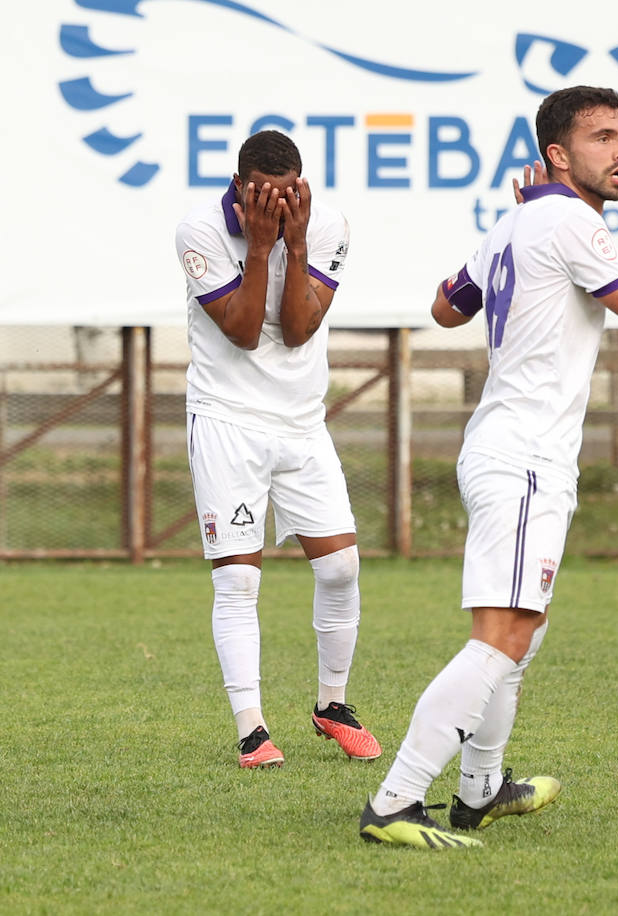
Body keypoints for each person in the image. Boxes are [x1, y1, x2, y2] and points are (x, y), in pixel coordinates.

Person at [358, 86, 618, 847]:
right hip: (523, 456)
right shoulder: (565, 219)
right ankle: (394, 802)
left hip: (509, 448)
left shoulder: (520, 218)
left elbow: (445, 307)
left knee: (525, 629)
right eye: (602, 137)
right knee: (501, 633)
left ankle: (480, 790)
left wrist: (523, 226)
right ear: (558, 154)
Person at [174, 130, 380, 769]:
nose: (282, 204)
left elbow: (295, 331)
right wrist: (262, 246)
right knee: (238, 577)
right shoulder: (200, 230)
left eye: (292, 194)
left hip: (301, 425)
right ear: (240, 188)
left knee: (341, 567)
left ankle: (332, 705)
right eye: (266, 196)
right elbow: (239, 331)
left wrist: (292, 241)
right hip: (227, 421)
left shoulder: (326, 225)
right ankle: (252, 729)